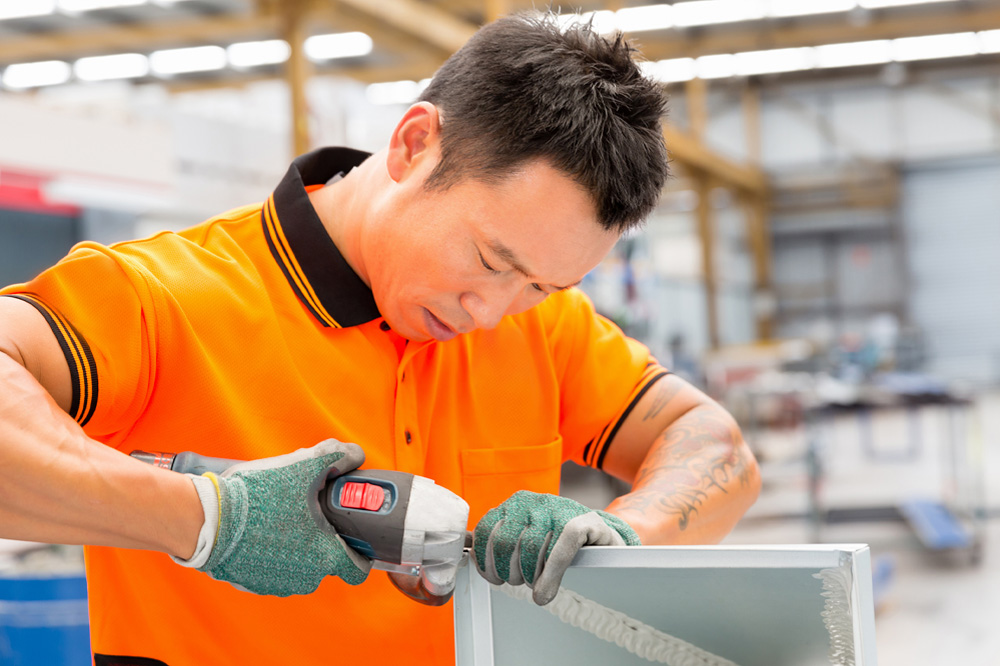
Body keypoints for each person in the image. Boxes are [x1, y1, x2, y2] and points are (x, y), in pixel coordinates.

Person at [0, 13, 760, 665]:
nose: (492, 313)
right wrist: (206, 518)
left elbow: (713, 445)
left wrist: (623, 531)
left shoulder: (547, 330)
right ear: (413, 145)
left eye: (538, 286)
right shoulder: (160, 297)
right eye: (492, 260)